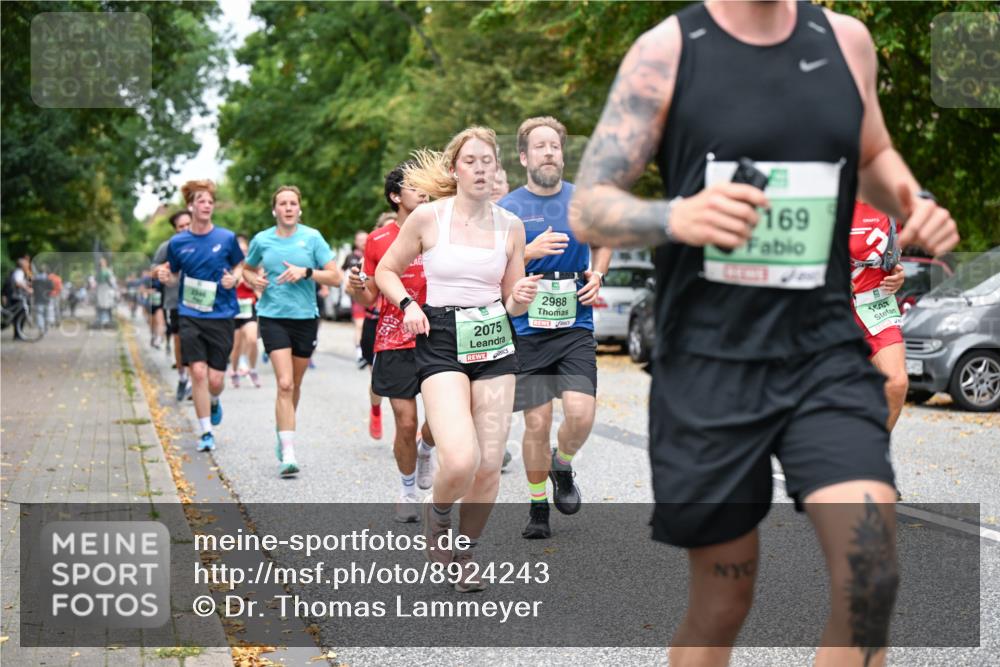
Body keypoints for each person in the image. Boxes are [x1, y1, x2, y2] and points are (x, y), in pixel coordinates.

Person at [569, 2, 959, 665]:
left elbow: (872, 150)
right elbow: (589, 205)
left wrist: (910, 199)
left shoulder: (847, 42)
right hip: (710, 359)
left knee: (871, 574)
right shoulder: (667, 51)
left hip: (824, 349)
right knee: (723, 601)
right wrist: (678, 215)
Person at [375, 126, 540, 592]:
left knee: (489, 464)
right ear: (455, 169)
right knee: (462, 458)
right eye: (472, 160)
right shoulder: (428, 218)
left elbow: (512, 302)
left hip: (493, 338)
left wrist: (522, 296)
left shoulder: (511, 226)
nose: (482, 168)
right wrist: (408, 306)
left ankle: (465, 551)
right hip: (441, 338)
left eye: (489, 160)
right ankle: (439, 512)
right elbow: (386, 270)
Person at [498, 116, 612, 539]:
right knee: (536, 422)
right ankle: (537, 507)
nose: (549, 152)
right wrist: (528, 252)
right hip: (528, 331)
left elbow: (603, 244)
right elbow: (494, 267)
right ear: (524, 156)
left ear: (563, 155)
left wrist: (598, 273)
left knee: (581, 415)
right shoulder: (507, 208)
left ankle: (561, 464)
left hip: (575, 325)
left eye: (555, 146)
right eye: (540, 146)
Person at [346, 162, 437, 522]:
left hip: (437, 333)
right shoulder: (378, 240)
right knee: (405, 420)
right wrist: (358, 289)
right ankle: (407, 489)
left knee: (443, 420)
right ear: (395, 196)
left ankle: (427, 449)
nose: (423, 191)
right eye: (414, 186)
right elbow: (370, 299)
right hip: (394, 335)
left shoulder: (441, 229)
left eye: (425, 185)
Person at [242, 185, 342, 477]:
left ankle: (282, 429)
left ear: (299, 209)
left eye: (292, 203)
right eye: (282, 203)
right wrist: (253, 281)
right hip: (273, 317)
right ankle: (288, 452)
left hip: (305, 318)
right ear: (275, 210)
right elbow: (247, 269)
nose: (287, 208)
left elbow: (336, 277)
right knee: (284, 384)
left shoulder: (312, 238)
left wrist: (307, 272)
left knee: (295, 384)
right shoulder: (262, 240)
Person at [158, 180, 244, 453]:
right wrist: (164, 276)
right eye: (201, 201)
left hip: (221, 313)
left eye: (210, 201)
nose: (207, 205)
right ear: (191, 206)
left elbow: (241, 265)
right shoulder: (178, 242)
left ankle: (215, 400)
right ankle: (206, 431)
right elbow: (171, 274)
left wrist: (234, 279)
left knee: (216, 381)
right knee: (197, 371)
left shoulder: (226, 238)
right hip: (190, 312)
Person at [850, 201, 908, 432]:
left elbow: (891, 259)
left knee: (896, 383)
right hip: (833, 308)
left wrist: (898, 274)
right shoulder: (832, 194)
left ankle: (870, 452)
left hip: (877, 306)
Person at [154, 209, 194, 401]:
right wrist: (162, 270)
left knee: (198, 339)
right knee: (180, 339)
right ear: (175, 229)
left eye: (188, 224)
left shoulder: (203, 241)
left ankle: (196, 381)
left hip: (199, 300)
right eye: (181, 227)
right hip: (175, 300)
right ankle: (182, 377)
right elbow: (154, 268)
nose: (185, 229)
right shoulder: (168, 246)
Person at [229, 234, 262, 389]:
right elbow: (227, 286)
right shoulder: (230, 266)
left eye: (245, 250)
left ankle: (253, 369)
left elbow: (257, 285)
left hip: (250, 307)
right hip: (234, 308)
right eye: (239, 250)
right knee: (236, 346)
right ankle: (234, 371)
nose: (243, 253)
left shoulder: (253, 266)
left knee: (252, 339)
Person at [343, 230, 369, 367]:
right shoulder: (350, 257)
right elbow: (343, 275)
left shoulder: (373, 253)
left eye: (365, 239)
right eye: (360, 240)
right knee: (360, 324)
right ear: (355, 242)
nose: (363, 242)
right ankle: (360, 354)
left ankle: (370, 352)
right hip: (357, 296)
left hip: (373, 296)